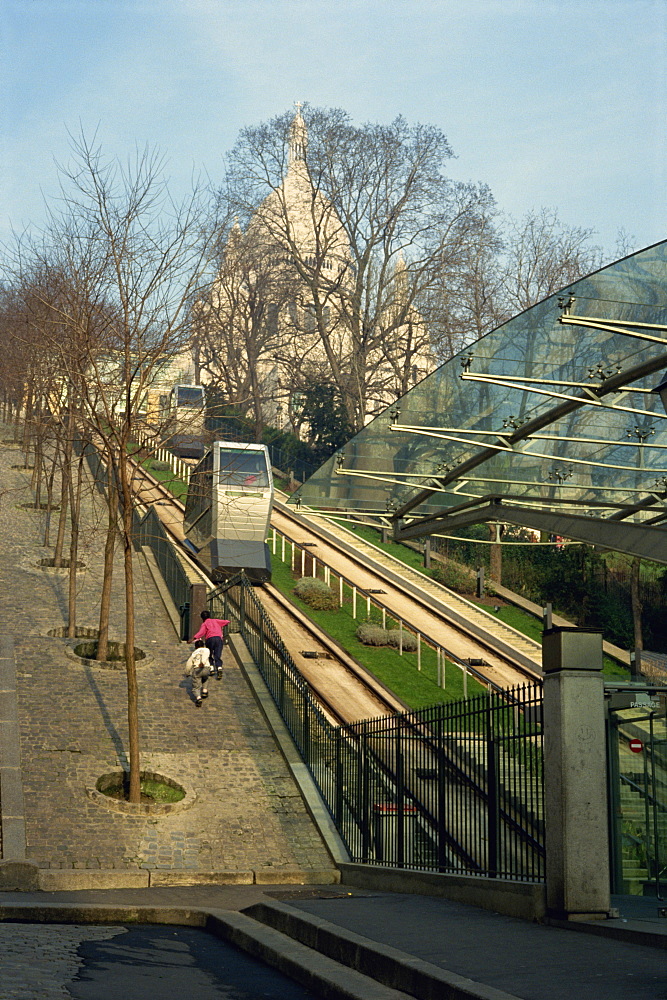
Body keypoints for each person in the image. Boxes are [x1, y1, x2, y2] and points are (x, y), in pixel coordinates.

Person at [192, 610, 230, 679]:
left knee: (209, 654)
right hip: (218, 639)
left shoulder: (204, 624)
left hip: (210, 639)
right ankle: (219, 668)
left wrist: (195, 637)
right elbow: (226, 622)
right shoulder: (216, 621)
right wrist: (226, 623)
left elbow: (201, 632)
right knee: (217, 655)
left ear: (202, 618)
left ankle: (212, 668)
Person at [185, 639, 211, 707]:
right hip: (206, 668)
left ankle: (198, 698)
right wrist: (203, 662)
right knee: (205, 678)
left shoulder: (194, 653)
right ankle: (205, 690)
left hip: (197, 669)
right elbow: (205, 656)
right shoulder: (207, 650)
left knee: (196, 685)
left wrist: (187, 672)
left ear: (196, 647)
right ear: (203, 645)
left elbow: (189, 663)